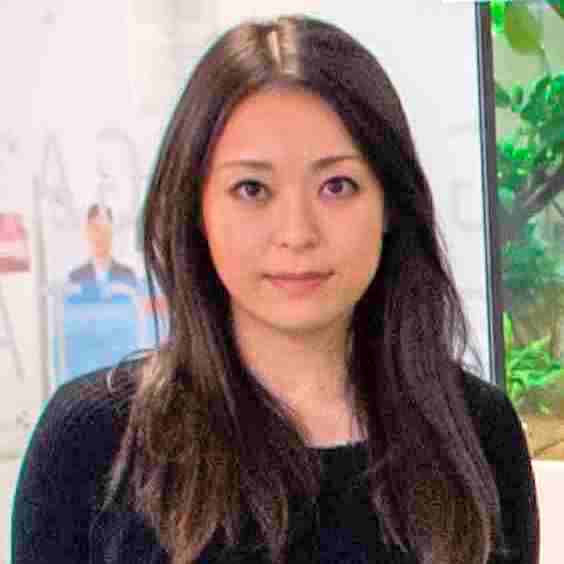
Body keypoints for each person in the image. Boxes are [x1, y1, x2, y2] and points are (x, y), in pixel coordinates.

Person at [12, 14, 539, 564]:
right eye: (252, 189)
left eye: (337, 186)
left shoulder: (477, 433)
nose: (297, 233)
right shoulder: (91, 441)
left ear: (390, 204)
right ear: (196, 209)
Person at [68, 203, 137, 298]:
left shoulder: (128, 276)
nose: (100, 236)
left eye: (105, 229)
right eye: (96, 229)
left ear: (111, 232)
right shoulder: (75, 279)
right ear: (88, 233)